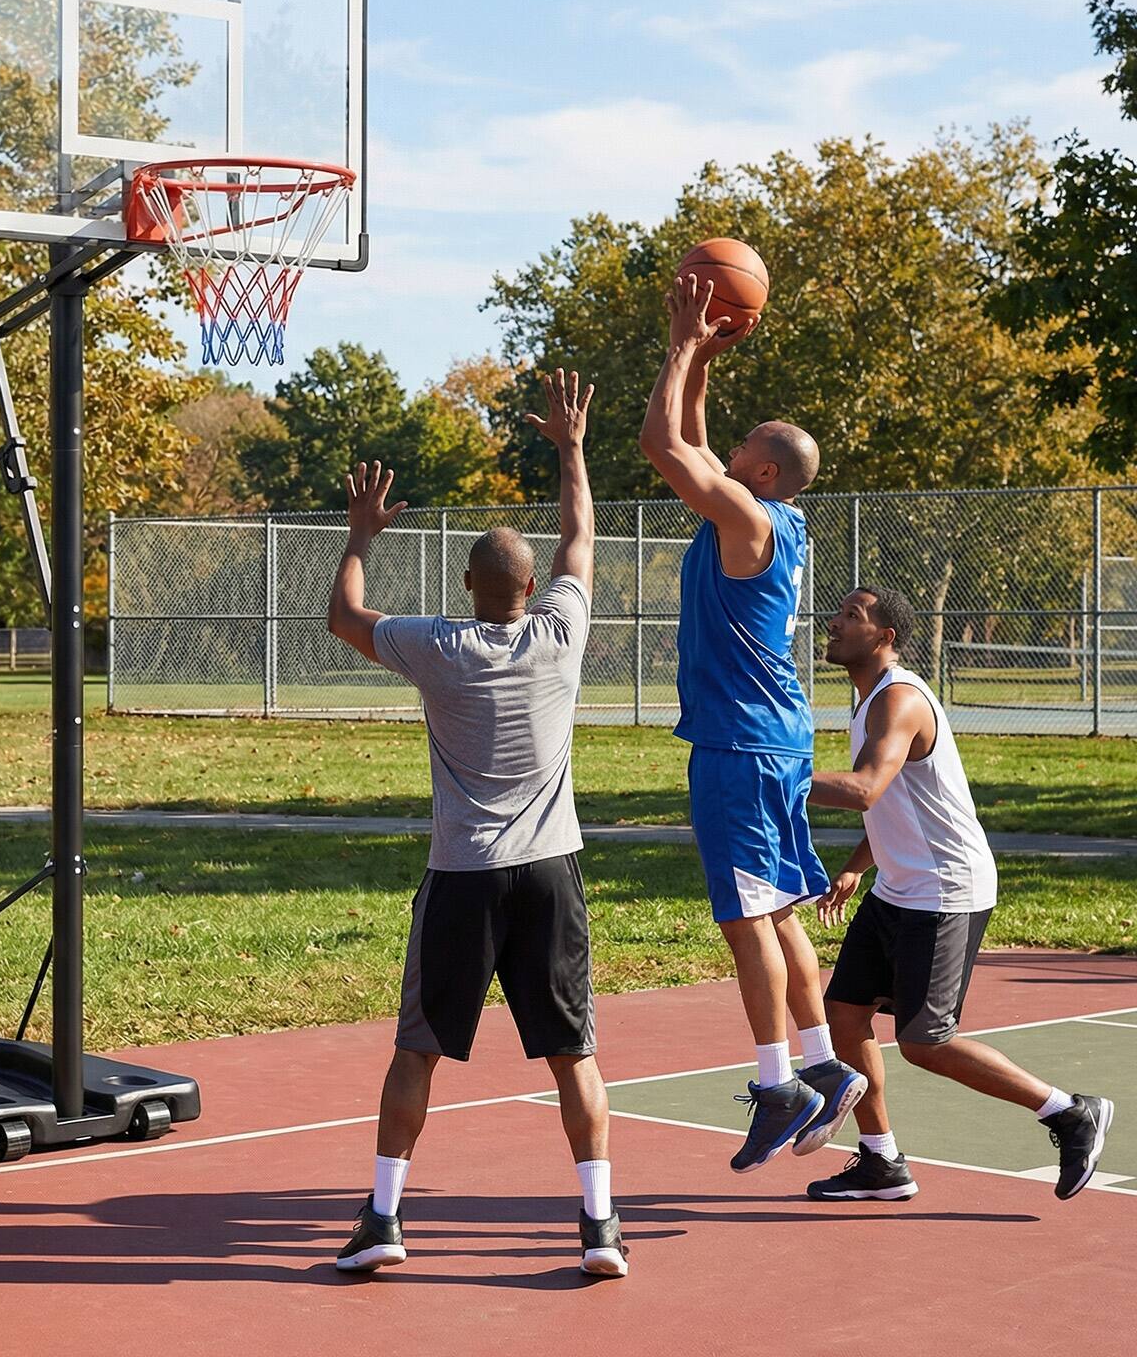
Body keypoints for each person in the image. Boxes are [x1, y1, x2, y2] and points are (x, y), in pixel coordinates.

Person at [324, 369, 626, 1278]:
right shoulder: (560, 634)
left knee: (417, 1049)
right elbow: (581, 534)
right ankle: (601, 1228)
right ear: (532, 589)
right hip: (549, 873)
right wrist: (570, 448)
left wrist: (360, 536)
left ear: (468, 584)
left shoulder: (436, 646)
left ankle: (382, 1220)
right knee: (572, 1055)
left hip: (462, 876)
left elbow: (342, 615)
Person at [638, 272, 865, 1171]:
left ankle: (777, 1084)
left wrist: (683, 346)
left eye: (740, 450)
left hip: (738, 747)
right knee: (777, 917)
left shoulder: (745, 516)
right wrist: (700, 355)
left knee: (744, 923)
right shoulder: (777, 517)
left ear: (762, 473)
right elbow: (690, 436)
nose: (721, 451)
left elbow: (663, 444)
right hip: (775, 740)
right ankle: (823, 1067)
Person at [806, 584, 1115, 1202]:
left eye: (851, 616)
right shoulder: (867, 698)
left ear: (885, 636)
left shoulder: (899, 699)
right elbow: (898, 800)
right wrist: (859, 864)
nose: (833, 623)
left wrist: (769, 777)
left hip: (945, 891)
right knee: (844, 1015)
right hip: (900, 887)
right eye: (837, 612)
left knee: (924, 1042)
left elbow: (866, 787)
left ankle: (1067, 1111)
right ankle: (881, 1161)